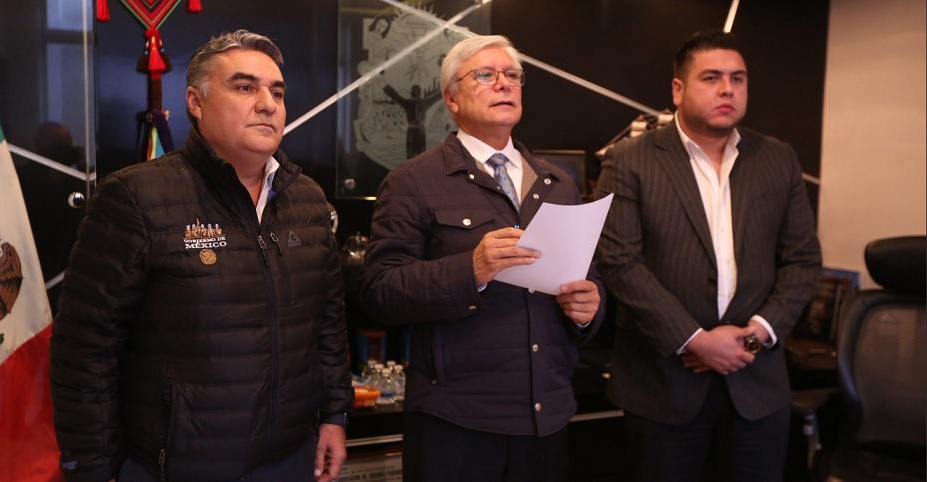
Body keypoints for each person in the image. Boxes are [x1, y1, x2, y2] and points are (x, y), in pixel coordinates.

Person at [50, 30, 352, 482]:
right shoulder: (136, 197)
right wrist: (93, 468)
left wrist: (334, 415)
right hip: (175, 465)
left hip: (290, 458)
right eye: (245, 87)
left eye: (277, 92)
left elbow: (327, 323)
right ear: (196, 101)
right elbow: (85, 349)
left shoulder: (307, 198)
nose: (267, 104)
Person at [361, 35, 606, 482]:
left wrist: (590, 308)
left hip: (547, 418)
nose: (504, 84)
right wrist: (469, 270)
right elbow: (380, 292)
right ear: (451, 98)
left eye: (512, 75)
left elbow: (587, 282)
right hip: (456, 424)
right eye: (486, 75)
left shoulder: (558, 183)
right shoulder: (413, 181)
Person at [595, 30, 821, 481]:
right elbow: (620, 263)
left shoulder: (777, 158)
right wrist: (695, 340)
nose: (727, 90)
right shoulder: (630, 159)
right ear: (678, 89)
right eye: (712, 78)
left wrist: (753, 337)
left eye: (738, 79)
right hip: (663, 388)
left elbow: (802, 261)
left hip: (757, 389)